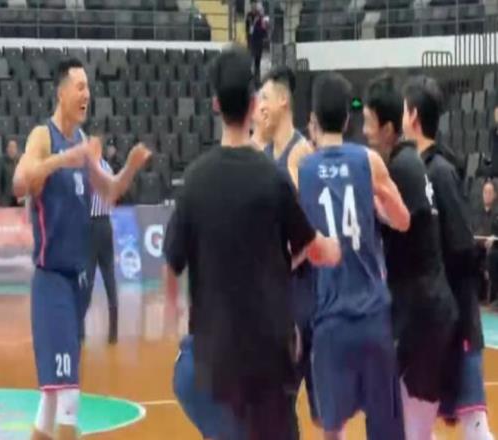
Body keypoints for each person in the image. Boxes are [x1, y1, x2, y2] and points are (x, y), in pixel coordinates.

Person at [164, 45, 341, 440]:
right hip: (266, 358)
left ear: (215, 103)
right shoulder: (271, 177)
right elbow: (310, 244)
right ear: (252, 102)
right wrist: (331, 249)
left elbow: (171, 264)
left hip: (213, 358)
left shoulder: (194, 180)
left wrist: (175, 319)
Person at [13, 58, 150, 440]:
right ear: (61, 93)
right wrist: (63, 160)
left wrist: (130, 168)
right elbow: (20, 182)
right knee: (69, 395)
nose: (86, 93)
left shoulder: (83, 142)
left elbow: (110, 190)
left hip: (79, 281)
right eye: (79, 86)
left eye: (88, 86)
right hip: (52, 278)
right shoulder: (44, 136)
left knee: (50, 400)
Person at [301, 72, 409, 440]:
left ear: (314, 118)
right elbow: (403, 220)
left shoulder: (304, 169)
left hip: (329, 321)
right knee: (385, 429)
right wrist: (377, 206)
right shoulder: (369, 161)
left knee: (333, 430)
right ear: (348, 118)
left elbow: (296, 245)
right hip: (373, 318)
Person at [363, 74, 458, 440]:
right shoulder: (405, 163)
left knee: (414, 429)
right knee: (414, 428)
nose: (365, 132)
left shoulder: (403, 167)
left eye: (369, 123)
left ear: (389, 129)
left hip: (423, 316)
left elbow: (404, 222)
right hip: (421, 311)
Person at [403, 75, 494, 440]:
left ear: (412, 115)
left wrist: (452, 302)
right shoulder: (416, 169)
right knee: (419, 423)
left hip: (455, 319)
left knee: (474, 423)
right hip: (431, 324)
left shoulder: (439, 172)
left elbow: (462, 247)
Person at [258, 65, 318, 425]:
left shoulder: (302, 154)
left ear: (283, 101)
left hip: (304, 292)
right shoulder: (264, 153)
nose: (260, 105)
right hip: (278, 295)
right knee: (280, 402)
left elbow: (310, 231)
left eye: (265, 98)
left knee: (319, 411)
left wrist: (283, 265)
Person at [83, 156, 119, 344]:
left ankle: (80, 330)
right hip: (106, 224)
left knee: (87, 278)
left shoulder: (85, 168)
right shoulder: (107, 167)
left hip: (90, 225)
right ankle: (113, 332)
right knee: (109, 276)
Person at [473, 180, 498, 306]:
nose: (487, 195)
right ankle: (474, 294)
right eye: (485, 192)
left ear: (495, 195)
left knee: (492, 255)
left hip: (494, 247)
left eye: (490, 192)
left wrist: (493, 238)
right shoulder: (476, 212)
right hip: (478, 245)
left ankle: (493, 297)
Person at [245, 1, 268, 85]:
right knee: (250, 62)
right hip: (251, 41)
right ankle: (250, 81)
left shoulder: (260, 16)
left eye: (255, 4)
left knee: (257, 62)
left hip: (258, 41)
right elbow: (247, 28)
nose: (253, 6)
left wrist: (259, 28)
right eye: (252, 4)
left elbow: (264, 30)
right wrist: (248, 38)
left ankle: (257, 81)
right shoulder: (249, 15)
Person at [0, 138, 21, 206]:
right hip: (5, 200)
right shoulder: (1, 162)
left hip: (18, 199)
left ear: (17, 149)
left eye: (14, 147)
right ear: (7, 149)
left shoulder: (20, 162)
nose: (12, 149)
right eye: (10, 147)